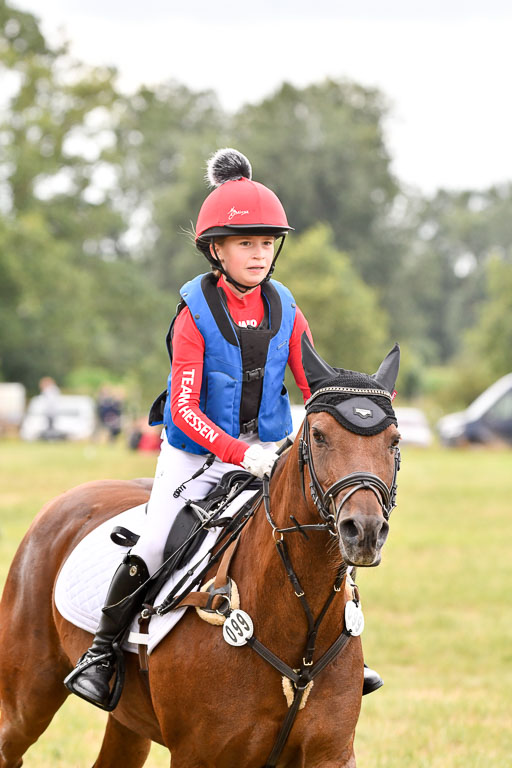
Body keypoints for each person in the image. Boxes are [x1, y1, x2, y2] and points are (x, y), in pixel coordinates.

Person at [64, 148, 382, 709]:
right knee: (155, 542)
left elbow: (313, 383)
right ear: (217, 249)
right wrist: (241, 452)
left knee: (322, 531)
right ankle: (102, 652)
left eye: (266, 243)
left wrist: (344, 416)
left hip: (272, 454)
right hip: (195, 458)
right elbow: (185, 411)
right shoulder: (195, 313)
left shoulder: (285, 307)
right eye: (245, 243)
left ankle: (340, 650)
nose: (258, 254)